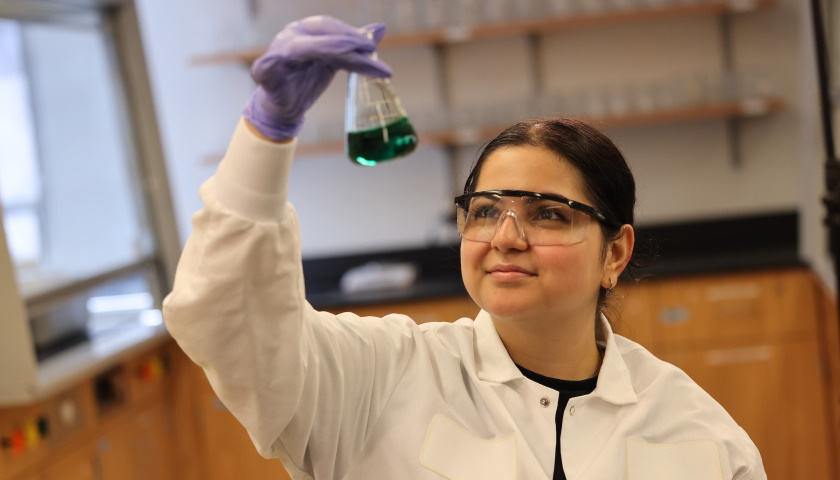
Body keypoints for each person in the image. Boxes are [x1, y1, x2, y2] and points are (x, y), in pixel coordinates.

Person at [163, 15, 766, 480]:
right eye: (484, 211)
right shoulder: (377, 378)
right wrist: (265, 135)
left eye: (548, 214)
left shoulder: (697, 432)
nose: (506, 237)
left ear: (615, 253)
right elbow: (229, 320)